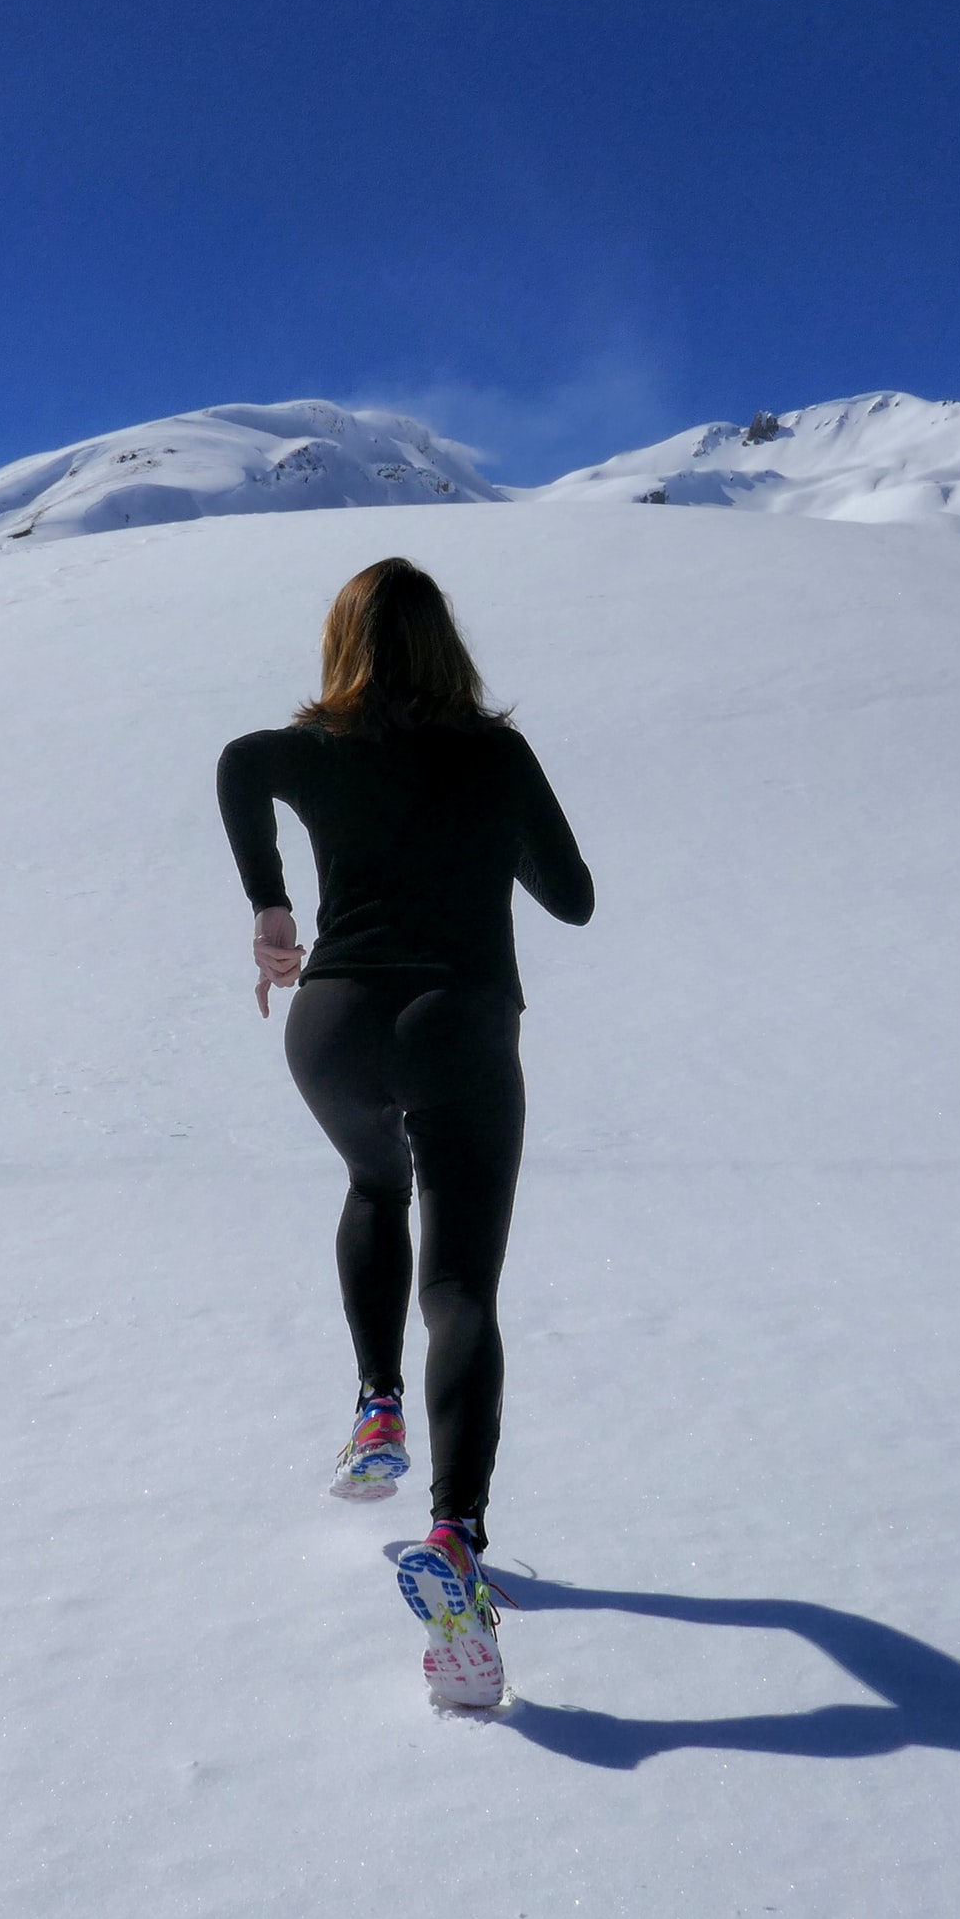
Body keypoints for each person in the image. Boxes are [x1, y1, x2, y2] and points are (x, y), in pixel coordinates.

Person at [216, 557, 593, 1707]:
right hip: (458, 1022)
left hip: (330, 1024)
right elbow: (573, 896)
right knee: (464, 1287)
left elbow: (238, 765)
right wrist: (494, 841)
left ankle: (376, 1409)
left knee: (376, 1187)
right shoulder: (495, 756)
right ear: (450, 646)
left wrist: (271, 904)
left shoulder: (310, 749)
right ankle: (456, 1539)